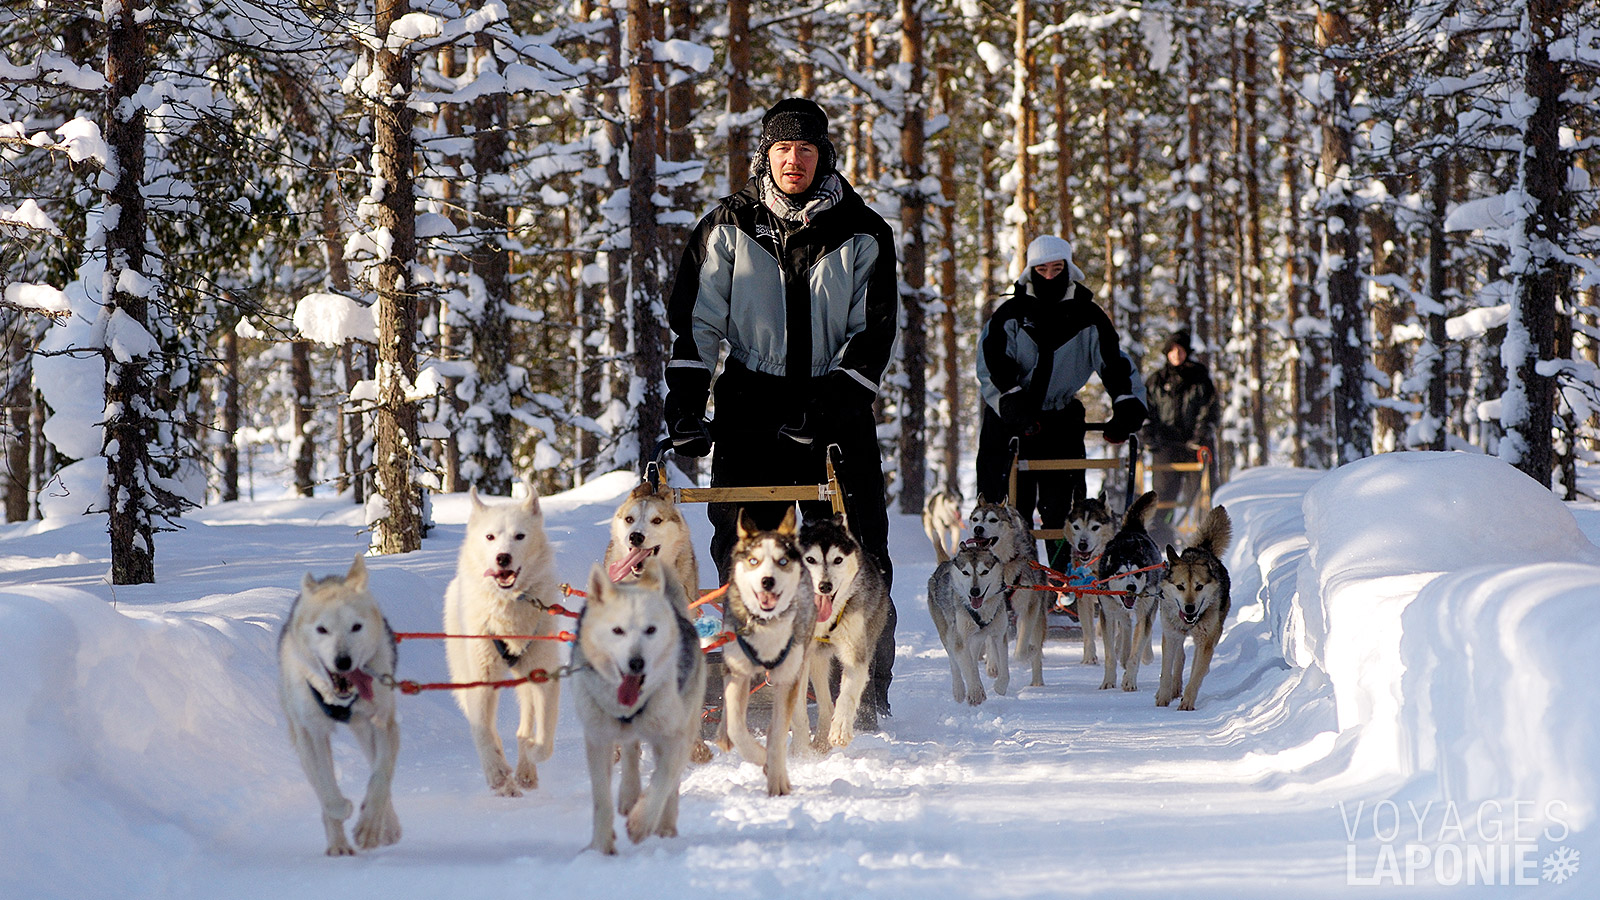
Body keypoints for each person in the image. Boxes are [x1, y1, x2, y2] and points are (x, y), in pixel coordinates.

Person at [661, 97, 899, 725]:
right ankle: (731, 677)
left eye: (806, 149)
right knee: (742, 547)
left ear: (825, 157)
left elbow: (872, 334)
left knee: (855, 547)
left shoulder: (863, 232)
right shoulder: (727, 225)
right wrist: (686, 405)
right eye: (783, 148)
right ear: (765, 154)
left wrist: (831, 405)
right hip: (751, 401)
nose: (794, 160)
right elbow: (697, 324)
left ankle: (861, 690)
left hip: (835, 404)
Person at [975, 234, 1147, 560]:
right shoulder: (1009, 315)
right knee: (1008, 510)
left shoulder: (1088, 317)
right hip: (1008, 422)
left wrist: (1127, 404)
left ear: (1069, 269)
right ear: (1030, 271)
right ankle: (1011, 577)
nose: (1050, 276)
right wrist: (1010, 400)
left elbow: (1114, 363)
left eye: (1057, 269)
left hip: (1059, 421)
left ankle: (1062, 577)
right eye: (1042, 270)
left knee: (1062, 509)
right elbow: (991, 365)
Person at [1141, 328, 1219, 546]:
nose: (1177, 354)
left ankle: (1198, 540)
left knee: (1199, 496)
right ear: (1166, 352)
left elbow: (1209, 409)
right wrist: (1149, 435)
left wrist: (1201, 434)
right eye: (1172, 350)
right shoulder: (1155, 381)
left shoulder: (1199, 377)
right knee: (1163, 497)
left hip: (1194, 446)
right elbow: (1147, 411)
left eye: (1181, 350)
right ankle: (1161, 538)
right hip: (1165, 447)